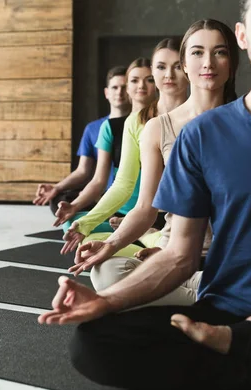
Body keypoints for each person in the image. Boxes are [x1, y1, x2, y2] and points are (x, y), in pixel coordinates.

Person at [39, 1, 251, 390]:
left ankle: (249, 349)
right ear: (244, 35)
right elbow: (179, 253)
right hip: (228, 307)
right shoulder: (201, 136)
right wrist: (108, 302)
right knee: (95, 344)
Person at [64, 20, 239, 308]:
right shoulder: (157, 128)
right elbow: (146, 208)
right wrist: (110, 245)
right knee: (106, 270)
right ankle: (211, 297)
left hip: (227, 257)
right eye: (196, 53)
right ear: (184, 63)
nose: (208, 62)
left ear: (232, 61)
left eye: (219, 52)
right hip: (172, 252)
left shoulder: (248, 122)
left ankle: (183, 292)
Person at [59, 37, 189, 254]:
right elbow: (122, 184)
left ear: (187, 68)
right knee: (90, 248)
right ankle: (144, 239)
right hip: (140, 213)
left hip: (182, 222)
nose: (169, 74)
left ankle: (149, 239)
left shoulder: (203, 118)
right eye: (161, 67)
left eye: (177, 66)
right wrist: (87, 222)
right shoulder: (136, 121)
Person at [52, 58, 156, 230]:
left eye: (149, 79)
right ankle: (133, 234)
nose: (141, 86)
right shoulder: (111, 127)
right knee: (72, 224)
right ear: (128, 87)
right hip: (118, 212)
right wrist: (75, 206)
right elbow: (98, 180)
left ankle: (142, 234)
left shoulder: (165, 122)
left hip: (154, 213)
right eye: (134, 80)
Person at [33, 66, 130, 215]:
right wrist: (57, 187)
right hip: (99, 193)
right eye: (115, 87)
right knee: (59, 200)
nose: (119, 92)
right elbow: (83, 171)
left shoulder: (138, 125)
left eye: (124, 87)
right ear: (106, 93)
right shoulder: (93, 128)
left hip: (126, 197)